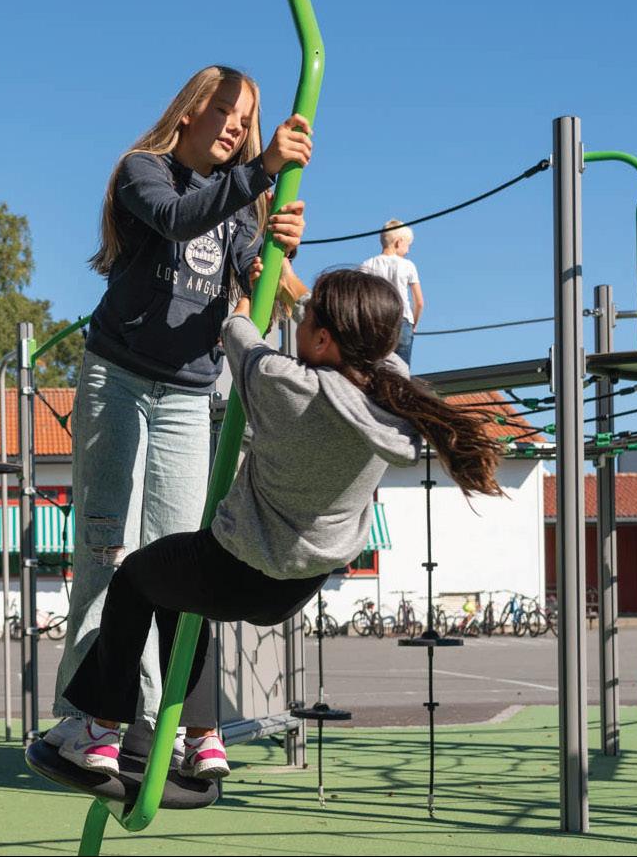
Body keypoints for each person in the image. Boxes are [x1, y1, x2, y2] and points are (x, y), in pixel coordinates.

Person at [57, 268, 506, 779]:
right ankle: (203, 741)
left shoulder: (287, 386)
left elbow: (238, 331)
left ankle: (100, 731)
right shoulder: (391, 399)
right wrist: (292, 284)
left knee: (135, 578)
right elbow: (367, 348)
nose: (300, 322)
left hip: (238, 564)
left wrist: (247, 297)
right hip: (299, 585)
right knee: (180, 594)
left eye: (307, 319)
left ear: (324, 338)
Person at [44, 65, 313, 761]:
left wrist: (278, 254)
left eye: (243, 118)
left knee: (179, 559)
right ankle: (91, 716)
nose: (234, 125)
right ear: (190, 111)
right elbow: (175, 219)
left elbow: (263, 286)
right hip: (120, 379)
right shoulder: (144, 172)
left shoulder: (241, 203)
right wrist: (260, 172)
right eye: (223, 109)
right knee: (107, 546)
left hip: (189, 396)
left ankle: (188, 726)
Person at [357, 220, 422, 366]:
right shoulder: (408, 265)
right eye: (408, 245)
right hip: (402, 321)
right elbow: (419, 302)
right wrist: (413, 325)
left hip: (377, 321)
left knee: (376, 368)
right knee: (401, 371)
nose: (408, 251)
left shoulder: (367, 265)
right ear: (399, 242)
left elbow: (359, 297)